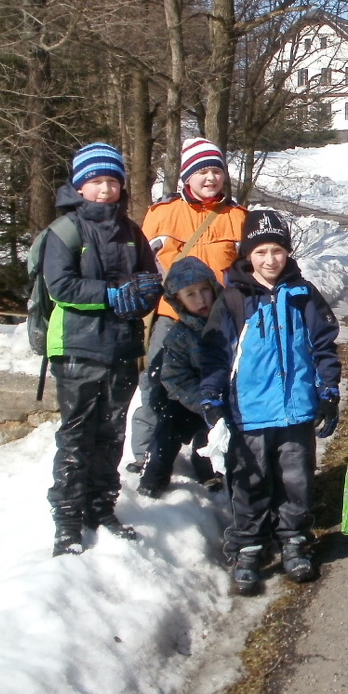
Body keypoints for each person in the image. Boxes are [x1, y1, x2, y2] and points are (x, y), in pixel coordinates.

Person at [200, 210, 341, 595]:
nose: (270, 259)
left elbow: (324, 345)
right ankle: (248, 546)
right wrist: (212, 396)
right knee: (251, 481)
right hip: (249, 412)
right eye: (261, 251)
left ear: (287, 252)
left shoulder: (303, 295)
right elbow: (215, 354)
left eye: (277, 250)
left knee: (296, 480)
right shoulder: (233, 299)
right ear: (248, 254)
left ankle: (294, 540)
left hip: (296, 410)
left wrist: (328, 390)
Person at [43, 142, 161, 556]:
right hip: (77, 347)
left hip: (122, 348)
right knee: (77, 435)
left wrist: (143, 295)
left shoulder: (131, 231)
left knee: (112, 433)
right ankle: (67, 520)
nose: (105, 189)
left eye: (112, 181)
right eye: (96, 181)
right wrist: (111, 295)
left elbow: (148, 281)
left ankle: (101, 507)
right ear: (80, 186)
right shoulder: (65, 231)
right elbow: (61, 286)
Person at [128, 137, 247, 474]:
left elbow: (247, 271)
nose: (211, 178)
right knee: (156, 381)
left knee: (214, 384)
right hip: (171, 317)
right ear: (187, 176)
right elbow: (141, 265)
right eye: (202, 171)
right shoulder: (162, 214)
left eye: (216, 171)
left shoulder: (238, 217)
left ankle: (207, 455)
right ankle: (144, 453)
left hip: (219, 320)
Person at [137, 257, 223, 498]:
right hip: (189, 398)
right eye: (191, 294)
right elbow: (174, 378)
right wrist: (202, 401)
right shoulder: (179, 335)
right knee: (169, 426)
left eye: (205, 290)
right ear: (178, 300)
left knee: (213, 434)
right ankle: (154, 475)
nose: (201, 299)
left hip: (224, 395)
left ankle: (209, 472)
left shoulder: (229, 323)